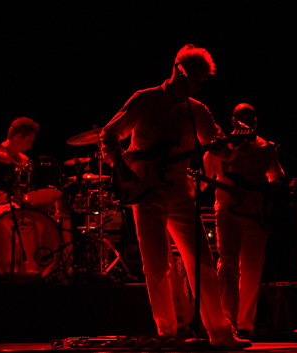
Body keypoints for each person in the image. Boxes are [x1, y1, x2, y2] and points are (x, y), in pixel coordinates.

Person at [100, 44, 251, 348]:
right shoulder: (145, 99)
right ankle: (167, 333)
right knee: (156, 264)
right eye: (194, 79)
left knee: (202, 261)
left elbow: (218, 147)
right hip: (146, 190)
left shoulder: (197, 110)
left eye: (201, 81)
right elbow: (109, 133)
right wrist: (121, 167)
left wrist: (233, 146)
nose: (196, 86)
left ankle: (220, 333)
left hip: (181, 190)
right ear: (178, 70)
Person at [203, 103, 284, 339]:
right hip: (228, 210)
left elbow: (277, 177)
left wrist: (265, 197)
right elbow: (205, 177)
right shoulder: (218, 148)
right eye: (241, 121)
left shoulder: (266, 148)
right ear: (233, 121)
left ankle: (246, 324)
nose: (246, 125)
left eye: (250, 121)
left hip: (256, 214)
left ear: (256, 122)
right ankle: (228, 320)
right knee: (227, 264)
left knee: (252, 268)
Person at [0, 117, 39, 214]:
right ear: (18, 137)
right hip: (1, 213)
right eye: (29, 141)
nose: (30, 146)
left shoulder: (25, 160)